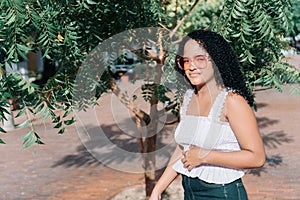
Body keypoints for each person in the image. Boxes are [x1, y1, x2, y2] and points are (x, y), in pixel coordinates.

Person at [149, 29, 266, 200]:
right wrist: (158, 190)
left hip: (222, 194)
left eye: (200, 59)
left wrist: (206, 156)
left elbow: (257, 157)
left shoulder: (231, 101)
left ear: (216, 61)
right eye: (185, 60)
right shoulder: (188, 98)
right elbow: (184, 149)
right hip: (190, 192)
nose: (192, 66)